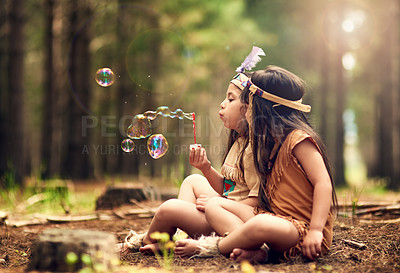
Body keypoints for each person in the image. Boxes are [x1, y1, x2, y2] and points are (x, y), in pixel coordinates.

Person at [174, 65, 338, 263]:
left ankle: (213, 247)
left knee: (260, 223)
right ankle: (259, 250)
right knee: (215, 204)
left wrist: (316, 230)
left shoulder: (298, 140)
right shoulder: (268, 146)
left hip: (300, 229)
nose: (245, 111)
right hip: (274, 218)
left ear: (266, 110)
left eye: (249, 106)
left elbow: (323, 182)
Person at [117, 48, 266, 255]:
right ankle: (177, 232)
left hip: (229, 220)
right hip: (223, 207)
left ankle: (150, 241)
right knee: (192, 181)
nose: (222, 104)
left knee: (168, 208)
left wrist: (218, 203)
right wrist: (205, 168)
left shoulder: (253, 150)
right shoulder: (238, 142)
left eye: (231, 99)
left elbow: (256, 202)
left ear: (249, 108)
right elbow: (229, 187)